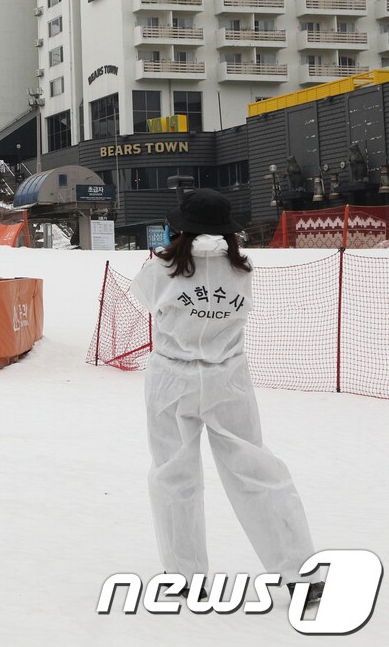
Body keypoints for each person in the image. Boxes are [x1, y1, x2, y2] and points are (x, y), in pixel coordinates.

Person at [127, 189, 322, 606]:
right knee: (256, 470)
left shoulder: (159, 269)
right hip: (228, 378)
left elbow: (147, 304)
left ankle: (183, 577)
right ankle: (299, 572)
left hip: (171, 379)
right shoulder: (242, 269)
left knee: (173, 476)